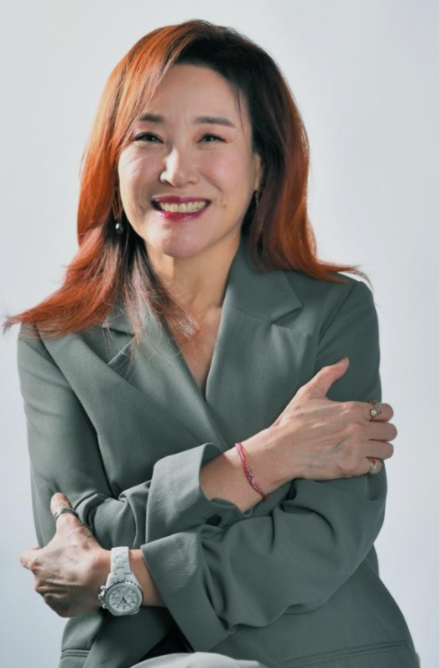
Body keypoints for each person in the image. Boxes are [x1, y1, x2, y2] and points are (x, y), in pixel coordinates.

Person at [5, 19, 419, 668]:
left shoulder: (333, 310)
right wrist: (262, 462)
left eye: (211, 138)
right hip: (141, 654)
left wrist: (129, 575)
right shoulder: (55, 338)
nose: (176, 170)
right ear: (112, 161)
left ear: (260, 167)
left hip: (325, 649)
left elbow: (326, 536)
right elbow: (75, 542)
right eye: (148, 137)